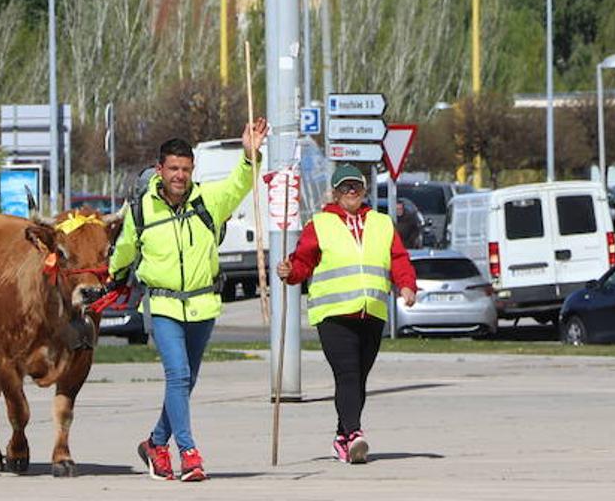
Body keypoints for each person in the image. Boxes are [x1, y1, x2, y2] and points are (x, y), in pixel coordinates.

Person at [109, 118, 269, 482]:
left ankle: (155, 442)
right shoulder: (142, 208)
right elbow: (125, 249)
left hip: (203, 305)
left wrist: (249, 156)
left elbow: (239, 184)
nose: (179, 175)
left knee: (186, 380)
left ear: (192, 170)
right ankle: (189, 452)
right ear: (160, 168)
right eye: (173, 168)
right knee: (178, 375)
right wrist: (112, 275)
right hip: (163, 305)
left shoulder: (208, 201)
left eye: (185, 169)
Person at [276, 163, 418, 465]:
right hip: (334, 314)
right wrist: (290, 272)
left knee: (358, 379)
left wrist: (406, 285)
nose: (351, 192)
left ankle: (341, 438)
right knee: (348, 374)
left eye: (355, 186)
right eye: (344, 187)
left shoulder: (381, 223)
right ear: (335, 193)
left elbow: (398, 258)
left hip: (372, 312)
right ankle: (354, 434)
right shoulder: (320, 224)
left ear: (364, 190)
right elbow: (303, 261)